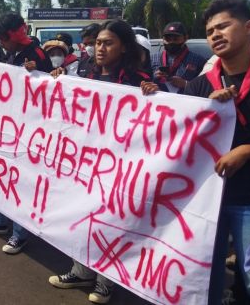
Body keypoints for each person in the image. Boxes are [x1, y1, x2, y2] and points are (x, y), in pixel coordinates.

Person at [49, 19, 151, 304]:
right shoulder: (85, 75)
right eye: (97, 43)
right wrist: (57, 79)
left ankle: (106, 281)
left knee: (109, 223)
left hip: (117, 166)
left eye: (108, 43)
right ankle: (81, 270)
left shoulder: (137, 80)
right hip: (84, 162)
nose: (100, 48)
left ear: (123, 47)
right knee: (81, 218)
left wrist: (155, 94)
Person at [180, 0, 250, 305]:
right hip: (205, 205)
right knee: (203, 283)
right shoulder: (198, 88)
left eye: (224, 26)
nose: (216, 34)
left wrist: (247, 151)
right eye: (210, 30)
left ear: (248, 27)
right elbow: (176, 144)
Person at [0, 12, 49, 255]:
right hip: (5, 126)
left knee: (20, 182)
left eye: (2, 39)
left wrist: (41, 73)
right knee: (0, 175)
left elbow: (51, 87)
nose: (0, 44)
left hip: (27, 131)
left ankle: (20, 234)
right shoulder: (8, 53)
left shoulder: (37, 55)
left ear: (12, 36)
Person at [150, 21, 206, 93]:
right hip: (159, 102)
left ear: (185, 38)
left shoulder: (199, 61)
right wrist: (154, 79)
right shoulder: (152, 58)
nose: (171, 42)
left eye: (176, 39)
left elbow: (205, 88)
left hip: (185, 103)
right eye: (167, 39)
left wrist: (186, 84)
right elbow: (142, 83)